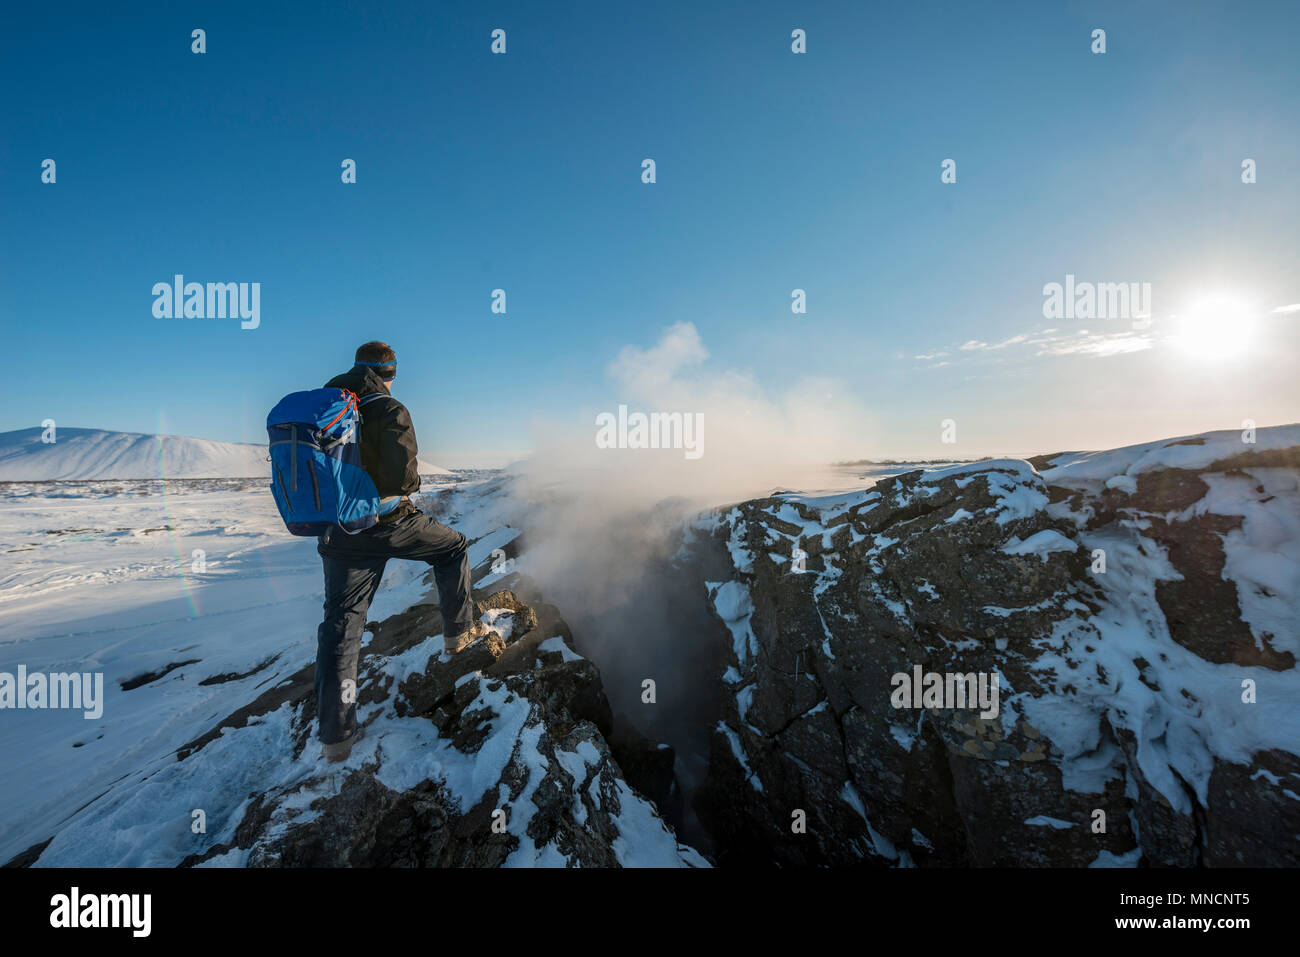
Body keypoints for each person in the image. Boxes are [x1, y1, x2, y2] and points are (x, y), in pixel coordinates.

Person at [314, 341, 488, 762]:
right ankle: (458, 635)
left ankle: (335, 739)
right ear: (390, 373)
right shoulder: (390, 408)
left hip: (339, 533)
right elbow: (405, 480)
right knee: (452, 549)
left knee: (342, 624)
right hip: (389, 523)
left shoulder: (323, 406)